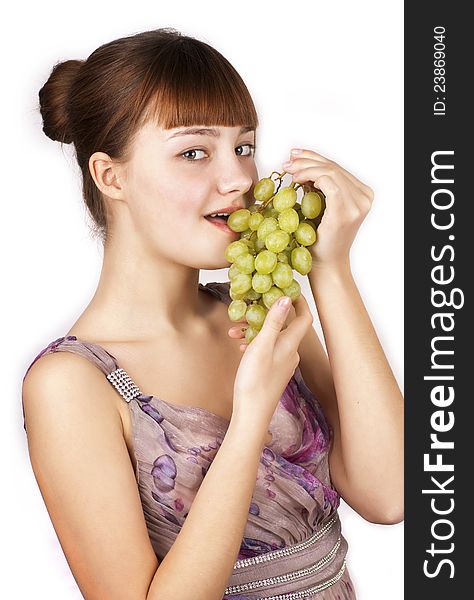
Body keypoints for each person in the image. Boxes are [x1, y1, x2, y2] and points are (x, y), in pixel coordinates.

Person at [21, 27, 403, 600]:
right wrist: (249, 420)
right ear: (110, 176)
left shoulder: (257, 312)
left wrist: (331, 269)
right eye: (194, 152)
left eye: (243, 147)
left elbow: (390, 492)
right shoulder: (72, 385)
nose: (238, 180)